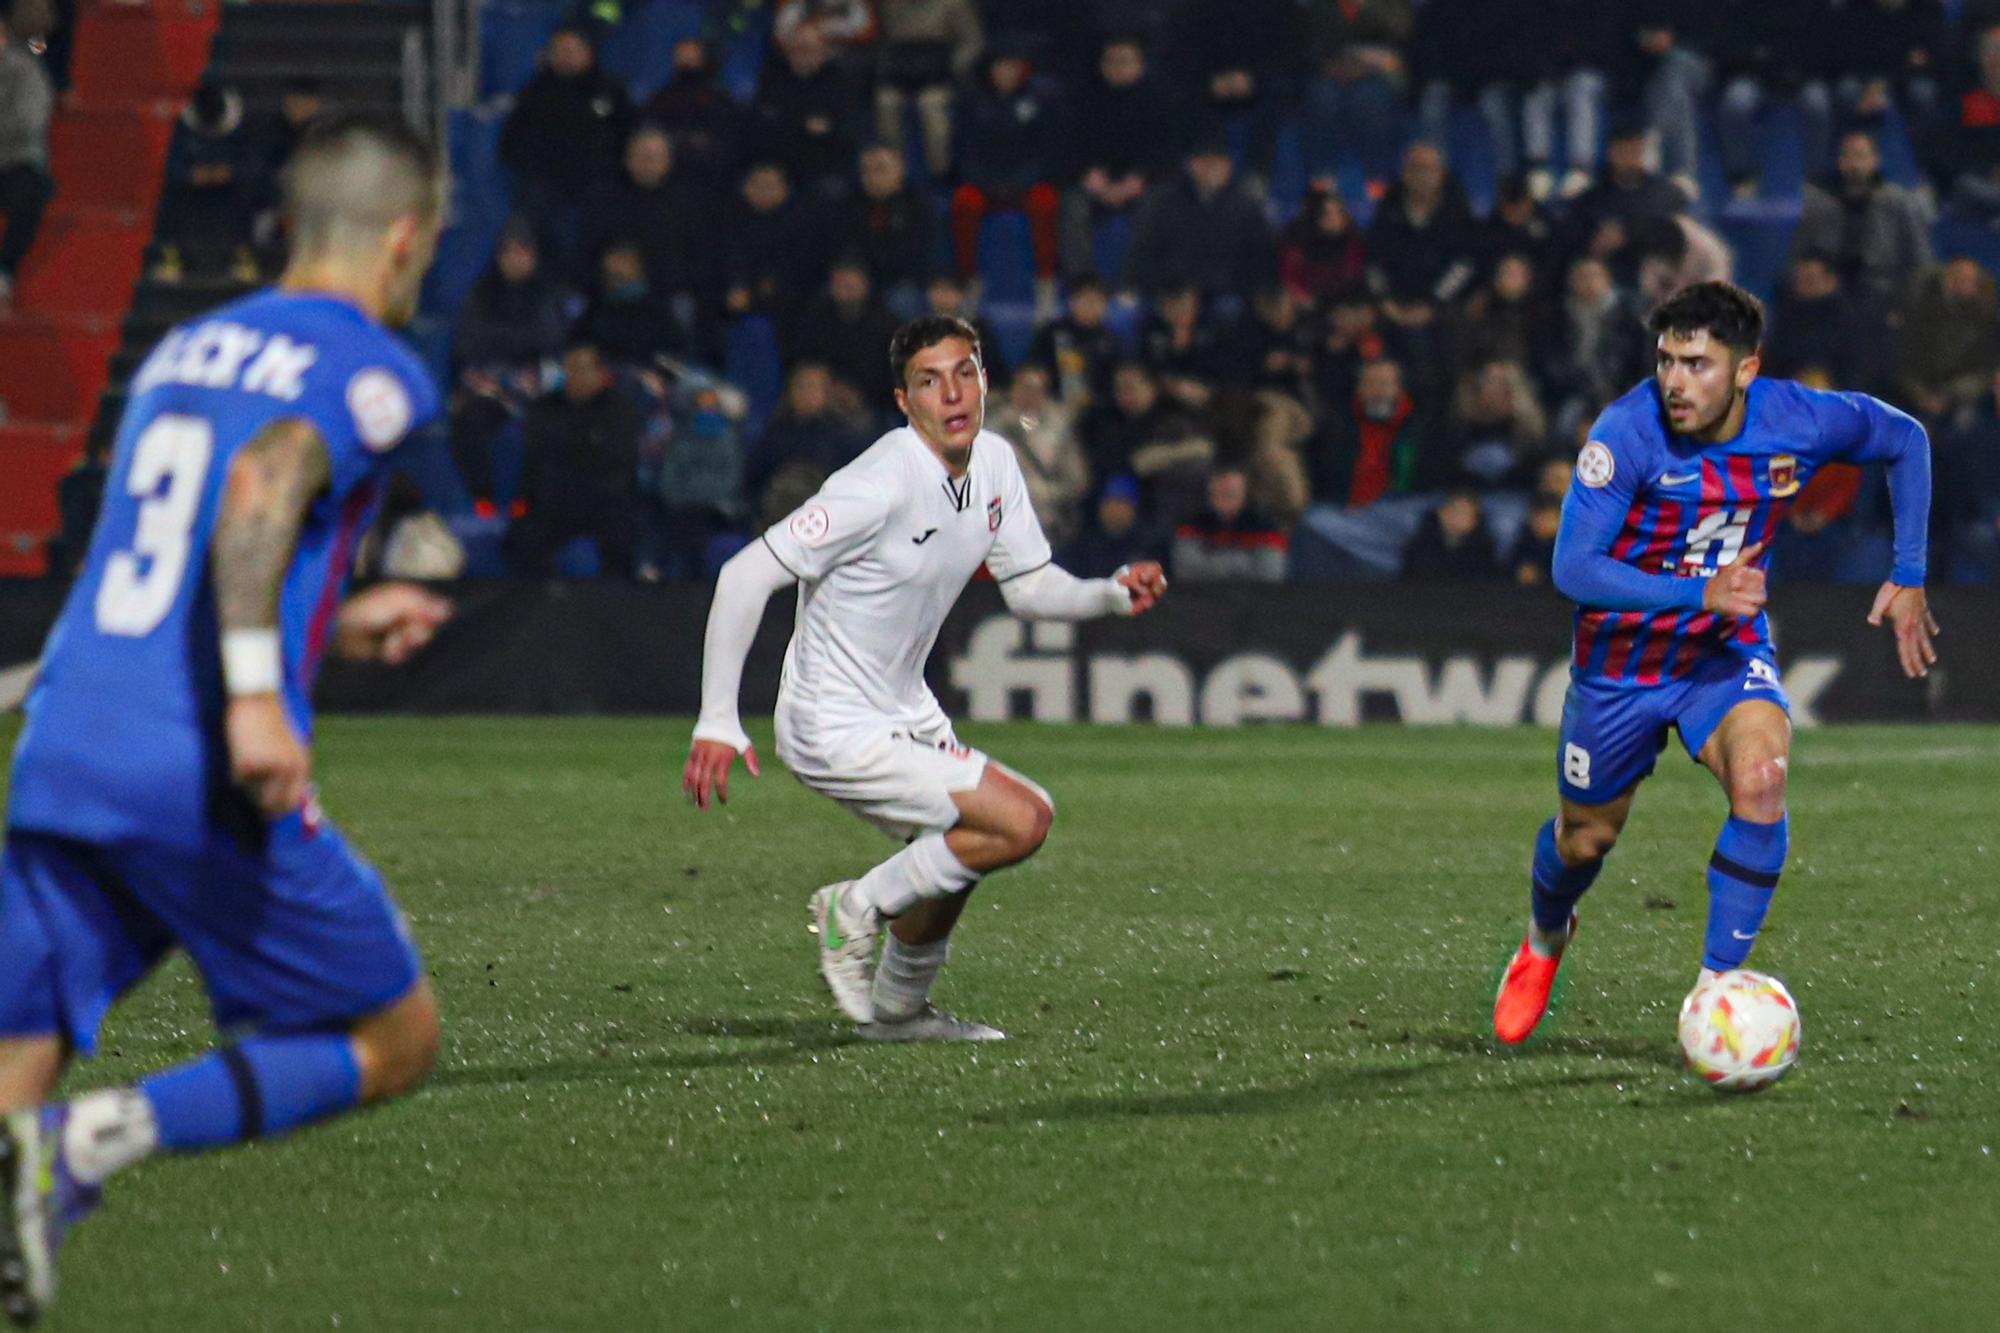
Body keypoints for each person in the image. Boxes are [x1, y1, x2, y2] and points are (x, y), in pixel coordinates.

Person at [0, 115, 449, 1325]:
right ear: (405, 240)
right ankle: (96, 1142)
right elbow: (259, 484)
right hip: (189, 757)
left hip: (69, 740)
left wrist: (329, 623)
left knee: (18, 1040)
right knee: (395, 1033)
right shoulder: (370, 366)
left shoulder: (185, 342)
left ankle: (35, 1159)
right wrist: (257, 690)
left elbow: (172, 540)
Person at [682, 316, 1167, 1040]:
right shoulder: (877, 482)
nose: (952, 393)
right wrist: (718, 716)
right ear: (904, 401)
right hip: (832, 720)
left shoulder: (998, 463)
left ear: (985, 381)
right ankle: (855, 906)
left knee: (953, 852)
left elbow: (1030, 584)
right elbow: (745, 573)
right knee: (1024, 818)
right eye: (929, 380)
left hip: (906, 707)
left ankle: (899, 1012)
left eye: (964, 372)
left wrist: (1107, 593)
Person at [1493, 280, 1938, 1046]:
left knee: (1762, 779)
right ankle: (1542, 939)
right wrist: (1701, 590)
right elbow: (1573, 566)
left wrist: (1908, 570)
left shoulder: (1798, 419)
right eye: (1666, 359)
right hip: (1621, 666)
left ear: (1745, 369)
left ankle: (1715, 998)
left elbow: (1907, 439)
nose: (1674, 381)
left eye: (1697, 363)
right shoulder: (1625, 433)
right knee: (1584, 840)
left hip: (1722, 653)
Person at [0, 2, 54, 307]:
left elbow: (32, 120)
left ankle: (5, 270)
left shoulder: (25, 68)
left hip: (16, 160)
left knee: (27, 193)